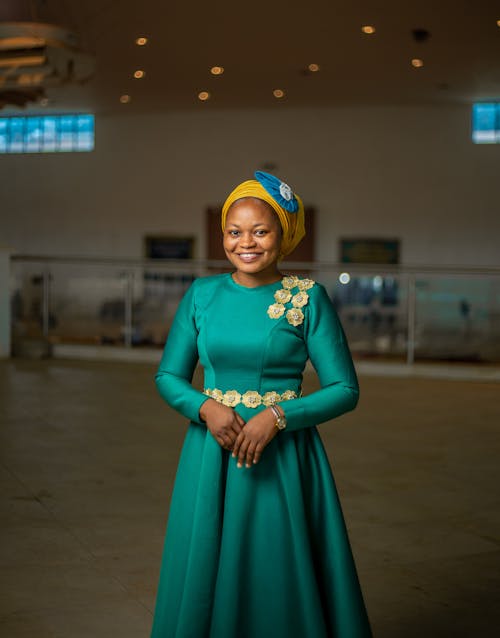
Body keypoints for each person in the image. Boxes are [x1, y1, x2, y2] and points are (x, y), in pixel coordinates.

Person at [150, 172, 372, 638]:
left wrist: (278, 417)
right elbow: (168, 375)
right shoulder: (201, 295)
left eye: (260, 231)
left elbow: (344, 389)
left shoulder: (308, 298)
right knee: (207, 558)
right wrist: (205, 408)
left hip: (284, 456)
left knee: (275, 563)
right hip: (211, 451)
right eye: (234, 231)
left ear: (284, 235)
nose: (245, 242)